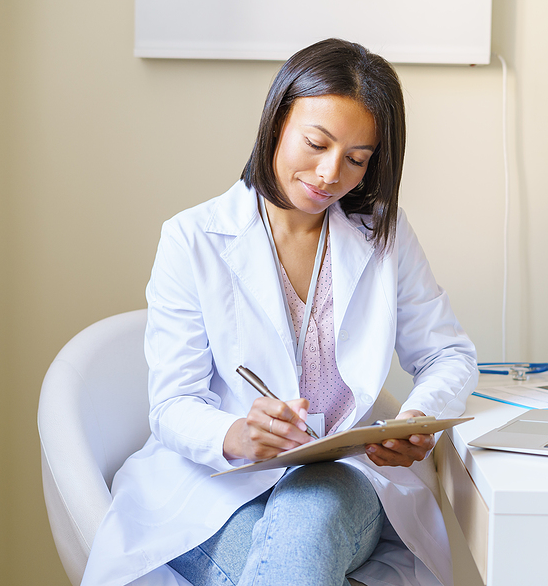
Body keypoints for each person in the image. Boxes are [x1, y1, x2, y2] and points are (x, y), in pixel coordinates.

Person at [81, 38, 477, 586]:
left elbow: (447, 354)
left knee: (309, 510)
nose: (330, 174)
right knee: (294, 560)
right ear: (276, 123)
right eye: (316, 143)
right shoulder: (192, 239)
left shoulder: (384, 234)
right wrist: (237, 434)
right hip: (219, 487)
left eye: (357, 160)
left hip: (341, 482)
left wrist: (417, 418)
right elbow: (173, 403)